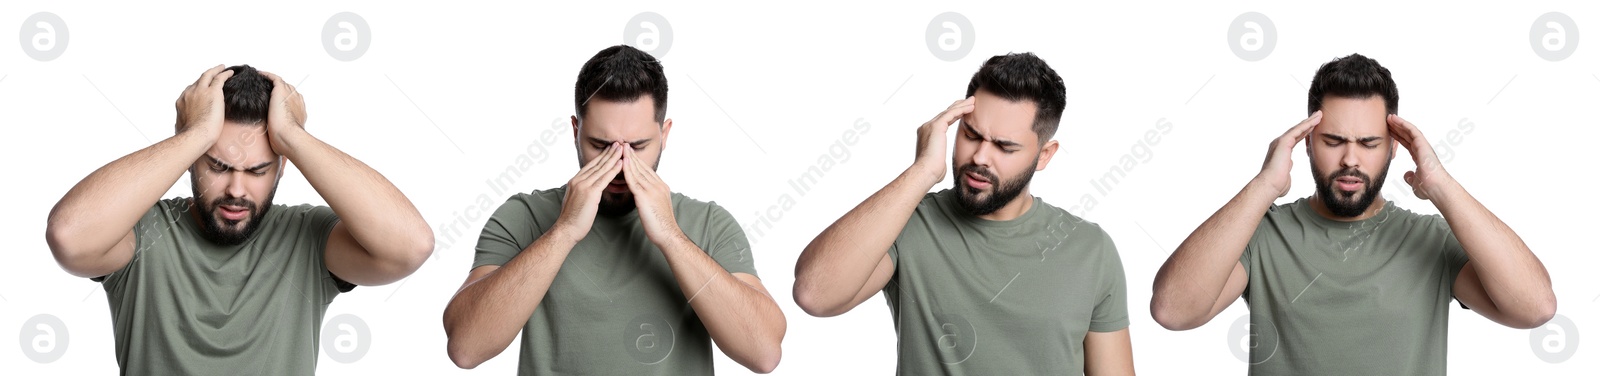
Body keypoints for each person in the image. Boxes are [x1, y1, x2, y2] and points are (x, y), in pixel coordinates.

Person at [1149, 53, 1557, 375]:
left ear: (1395, 146)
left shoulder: (1430, 240)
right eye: (1333, 140)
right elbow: (1173, 311)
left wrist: (1441, 185)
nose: (1350, 159)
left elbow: (1535, 308)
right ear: (1307, 142)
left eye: (1368, 142)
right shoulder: (1264, 234)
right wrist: (1263, 186)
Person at [44, 64, 434, 374]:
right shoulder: (142, 232)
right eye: (218, 165)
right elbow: (69, 236)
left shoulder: (308, 239)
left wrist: (294, 136)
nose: (236, 189)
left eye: (257, 171)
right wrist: (194, 133)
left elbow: (410, 246)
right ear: (190, 157)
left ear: (282, 167)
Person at [442, 45, 786, 374]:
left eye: (638, 146)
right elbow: (466, 348)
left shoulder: (709, 223)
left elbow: (764, 353)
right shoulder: (524, 217)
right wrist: (563, 232)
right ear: (576, 132)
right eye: (601, 145)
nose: (621, 164)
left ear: (664, 135)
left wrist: (670, 236)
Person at [794, 52, 1135, 375]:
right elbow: (815, 293)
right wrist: (922, 172)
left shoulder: (1091, 249)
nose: (981, 157)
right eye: (971, 135)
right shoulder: (910, 223)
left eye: (1004, 147)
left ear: (1044, 155)